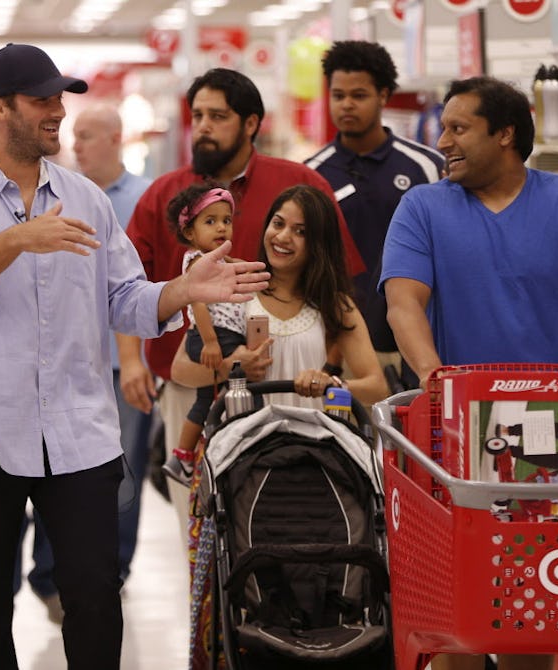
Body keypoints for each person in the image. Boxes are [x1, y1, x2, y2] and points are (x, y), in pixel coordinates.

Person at [0, 43, 268, 670]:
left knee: (96, 598)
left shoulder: (84, 198)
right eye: (41, 100)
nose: (56, 113)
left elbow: (123, 299)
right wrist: (15, 240)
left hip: (78, 431)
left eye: (60, 99)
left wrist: (181, 290)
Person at [379, 75, 558, 670]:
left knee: (536, 608)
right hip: (457, 433)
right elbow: (404, 303)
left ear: (505, 134)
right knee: (458, 611)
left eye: (458, 128)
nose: (441, 140)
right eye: (443, 127)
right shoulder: (422, 206)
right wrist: (432, 377)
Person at [119, 67, 365, 529]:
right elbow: (128, 284)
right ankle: (204, 604)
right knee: (197, 525)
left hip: (284, 381)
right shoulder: (165, 194)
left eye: (218, 115)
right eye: (198, 115)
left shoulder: (298, 185)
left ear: (251, 123)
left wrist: (330, 370)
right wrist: (131, 359)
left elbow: (336, 284)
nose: (204, 126)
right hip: (190, 379)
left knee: (282, 520)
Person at [171, 184, 388, 669]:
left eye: (300, 231)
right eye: (278, 223)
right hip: (241, 459)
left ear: (320, 242)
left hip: (320, 463)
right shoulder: (235, 287)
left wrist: (331, 382)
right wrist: (233, 364)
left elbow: (374, 384)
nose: (283, 237)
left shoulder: (336, 306)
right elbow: (180, 372)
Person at [305, 40, 444, 389]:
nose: (346, 105)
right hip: (335, 347)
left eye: (359, 95)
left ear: (383, 95)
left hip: (413, 343)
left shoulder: (426, 166)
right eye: (338, 95)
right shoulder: (310, 175)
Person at [72, 102, 153, 584]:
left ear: (115, 138)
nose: (76, 145)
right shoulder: (61, 196)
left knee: (123, 471)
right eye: (74, 135)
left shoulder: (147, 197)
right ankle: (64, 567)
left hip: (129, 366)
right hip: (73, 361)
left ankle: (114, 567)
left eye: (86, 135)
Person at [163, 184, 244, 485]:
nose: (221, 227)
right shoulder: (196, 260)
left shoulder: (219, 260)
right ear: (189, 232)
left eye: (226, 220)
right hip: (214, 337)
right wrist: (210, 341)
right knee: (217, 396)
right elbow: (197, 302)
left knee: (213, 397)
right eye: (210, 221)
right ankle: (183, 456)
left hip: (224, 335)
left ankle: (193, 455)